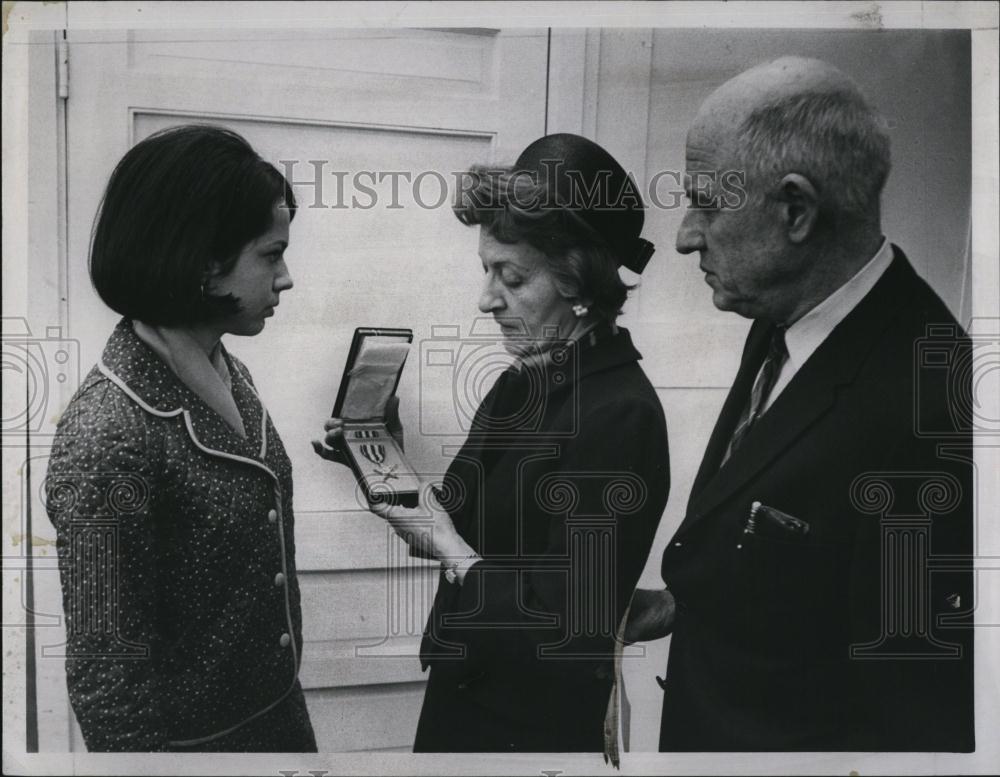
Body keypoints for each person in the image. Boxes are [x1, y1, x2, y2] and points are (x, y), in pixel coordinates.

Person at [626, 57, 974, 752]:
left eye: (707, 202)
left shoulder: (933, 407)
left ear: (795, 211)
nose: (685, 235)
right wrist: (685, 605)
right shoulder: (784, 311)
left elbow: (912, 717)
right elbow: (811, 587)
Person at [315, 134, 669, 755]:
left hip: (529, 729)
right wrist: (382, 454)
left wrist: (452, 550)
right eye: (487, 270)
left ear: (579, 282)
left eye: (512, 275)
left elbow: (568, 625)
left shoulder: (623, 416)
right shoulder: (522, 380)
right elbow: (459, 513)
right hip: (467, 696)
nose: (486, 299)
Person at [44, 125, 317, 752]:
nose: (287, 278)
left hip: (275, 723)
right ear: (200, 260)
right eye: (271, 255)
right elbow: (106, 670)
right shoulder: (108, 433)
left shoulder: (222, 365)